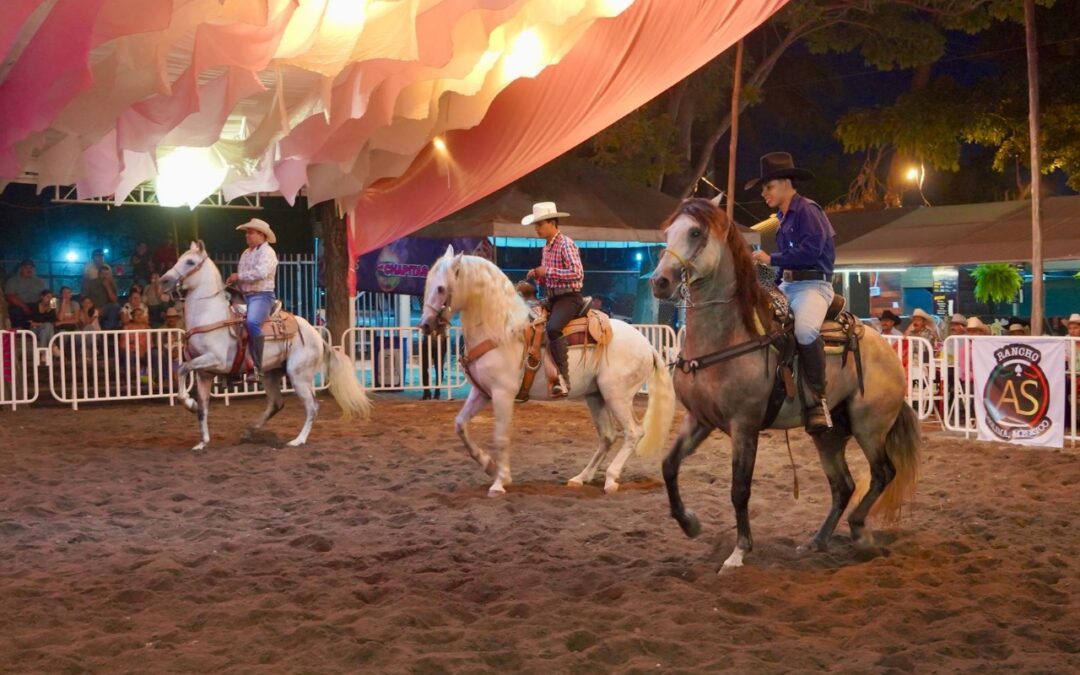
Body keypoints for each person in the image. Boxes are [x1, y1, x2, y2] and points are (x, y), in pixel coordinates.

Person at [748, 152, 836, 434]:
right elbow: (782, 262)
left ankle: (817, 401)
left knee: (805, 331)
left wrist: (770, 259)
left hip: (814, 286)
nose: (764, 193)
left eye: (768, 187)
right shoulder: (782, 218)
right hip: (789, 285)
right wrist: (761, 277)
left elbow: (812, 251)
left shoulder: (809, 210)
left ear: (786, 183)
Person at [522, 201, 583, 398]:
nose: (536, 229)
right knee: (527, 317)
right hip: (553, 297)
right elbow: (549, 277)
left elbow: (577, 273)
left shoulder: (566, 243)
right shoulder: (546, 248)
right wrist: (539, 275)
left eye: (539, 224)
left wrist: (547, 271)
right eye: (536, 225)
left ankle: (563, 378)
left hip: (569, 298)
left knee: (553, 328)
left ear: (552, 222)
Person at [225, 218, 278, 382]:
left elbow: (261, 273)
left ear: (261, 234)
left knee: (252, 322)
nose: (247, 236)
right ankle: (233, 367)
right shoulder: (245, 253)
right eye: (246, 233)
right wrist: (235, 283)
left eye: (250, 232)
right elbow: (244, 277)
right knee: (228, 322)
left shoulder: (268, 252)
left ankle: (257, 367)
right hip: (245, 296)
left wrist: (238, 276)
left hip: (262, 295)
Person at [4, 260, 48, 329]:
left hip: (35, 305)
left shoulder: (39, 281)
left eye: (31, 268)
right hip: (19, 305)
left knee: (45, 310)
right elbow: (9, 296)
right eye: (26, 268)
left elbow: (47, 294)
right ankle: (19, 331)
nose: (29, 270)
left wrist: (49, 305)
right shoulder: (13, 281)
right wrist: (24, 306)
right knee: (15, 310)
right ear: (21, 269)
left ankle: (40, 330)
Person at [83, 265, 120, 329]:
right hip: (93, 307)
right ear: (98, 274)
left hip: (107, 308)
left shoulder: (111, 284)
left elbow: (114, 300)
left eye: (107, 274)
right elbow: (85, 298)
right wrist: (95, 308)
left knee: (116, 306)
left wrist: (108, 287)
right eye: (103, 274)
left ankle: (108, 328)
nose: (105, 276)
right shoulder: (91, 283)